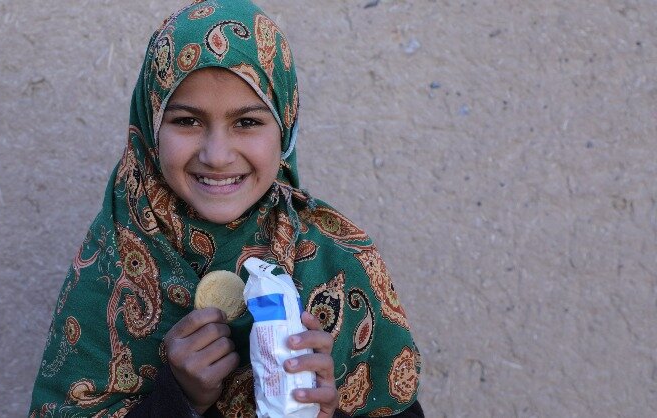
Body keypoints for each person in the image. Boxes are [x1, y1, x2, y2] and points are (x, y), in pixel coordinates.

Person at [29, 1, 424, 417]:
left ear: (284, 128)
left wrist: (328, 411)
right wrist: (179, 400)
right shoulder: (110, 264)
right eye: (187, 121)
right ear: (150, 127)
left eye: (248, 122)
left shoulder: (340, 262)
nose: (217, 156)